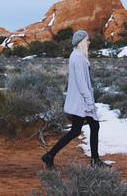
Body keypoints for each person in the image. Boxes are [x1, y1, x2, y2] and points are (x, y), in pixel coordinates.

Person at [41, 30, 110, 169]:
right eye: (87, 40)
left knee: (88, 128)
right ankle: (50, 155)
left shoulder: (78, 56)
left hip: (81, 100)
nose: (89, 42)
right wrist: (89, 101)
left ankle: (94, 160)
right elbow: (81, 82)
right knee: (78, 130)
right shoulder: (78, 57)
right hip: (81, 102)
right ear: (81, 42)